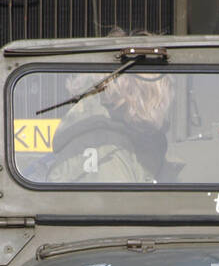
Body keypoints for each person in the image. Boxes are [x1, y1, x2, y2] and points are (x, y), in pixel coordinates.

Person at [46, 70, 175, 183]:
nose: (165, 102)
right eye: (160, 94)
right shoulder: (105, 149)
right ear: (134, 92)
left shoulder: (128, 142)